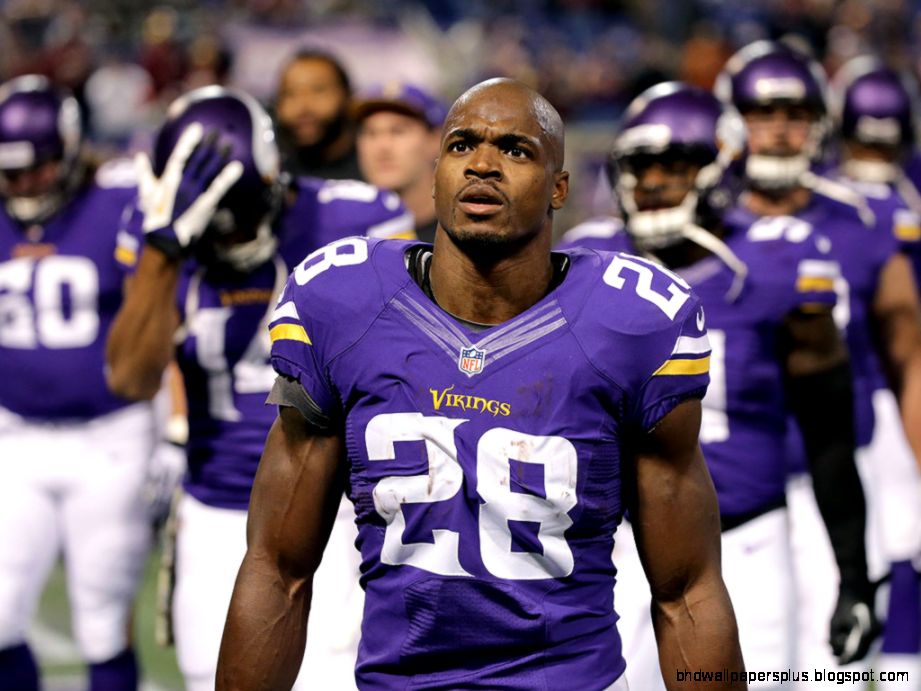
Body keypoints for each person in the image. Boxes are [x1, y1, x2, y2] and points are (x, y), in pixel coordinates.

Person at [217, 77, 745, 691]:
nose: (483, 165)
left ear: (559, 188)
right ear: (436, 172)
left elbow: (687, 591)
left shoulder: (630, 325)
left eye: (516, 150)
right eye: (462, 145)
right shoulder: (344, 305)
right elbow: (278, 568)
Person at [559, 81, 878, 690]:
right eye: (641, 166)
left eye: (675, 165)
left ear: (721, 167)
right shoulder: (587, 262)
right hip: (615, 549)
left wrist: (853, 575)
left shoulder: (779, 261)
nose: (653, 182)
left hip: (745, 543)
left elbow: (828, 434)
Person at [105, 86, 414, 691]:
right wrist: (164, 250)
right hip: (218, 501)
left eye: (245, 217)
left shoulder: (355, 218)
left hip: (334, 502)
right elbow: (130, 377)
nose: (233, 240)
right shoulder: (153, 230)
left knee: (333, 678)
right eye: (216, 232)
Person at [715, 40, 921, 686]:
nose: (779, 130)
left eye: (795, 113)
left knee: (837, 667)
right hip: (728, 491)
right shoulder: (702, 228)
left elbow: (908, 358)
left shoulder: (862, 221)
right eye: (761, 113)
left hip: (836, 477)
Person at [0, 75, 156, 690]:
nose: (23, 185)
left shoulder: (116, 199)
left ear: (68, 153)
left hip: (110, 439)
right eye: (10, 172)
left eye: (35, 169)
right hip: (15, 436)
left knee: (101, 622)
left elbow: (159, 308)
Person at [826, 55, 921, 685]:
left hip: (872, 395)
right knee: (896, 546)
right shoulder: (881, 208)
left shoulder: (832, 204)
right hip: (873, 398)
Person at [355, 83, 447, 243]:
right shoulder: (335, 234)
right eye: (371, 133)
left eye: (397, 131)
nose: (382, 147)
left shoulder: (466, 232)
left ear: (436, 141)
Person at [274, 49, 362, 180]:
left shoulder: (375, 167)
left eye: (318, 90)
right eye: (290, 93)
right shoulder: (269, 171)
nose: (302, 107)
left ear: (347, 96)